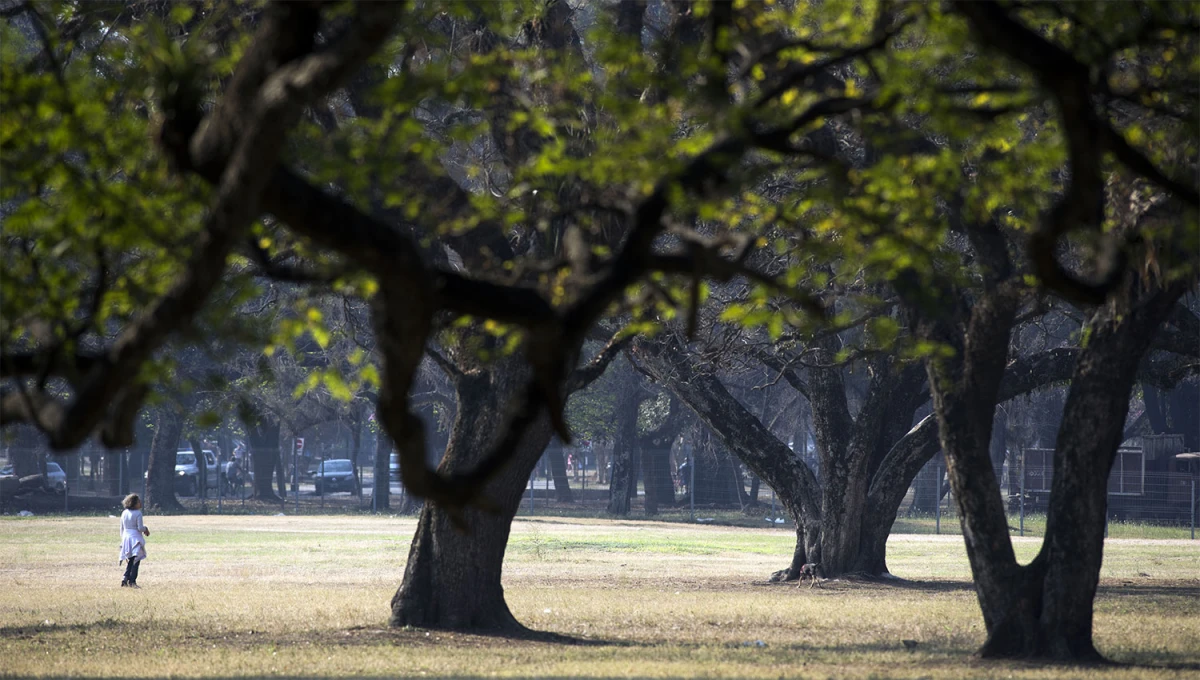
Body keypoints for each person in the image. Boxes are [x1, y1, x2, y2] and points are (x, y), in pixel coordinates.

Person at [119, 493, 150, 588]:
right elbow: (140, 528)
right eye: (138, 502)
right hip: (135, 538)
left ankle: (125, 578)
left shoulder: (124, 513)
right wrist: (146, 529)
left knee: (130, 559)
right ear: (134, 503)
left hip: (126, 537)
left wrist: (123, 539)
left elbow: (122, 528)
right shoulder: (138, 513)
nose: (140, 503)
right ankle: (132, 581)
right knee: (136, 560)